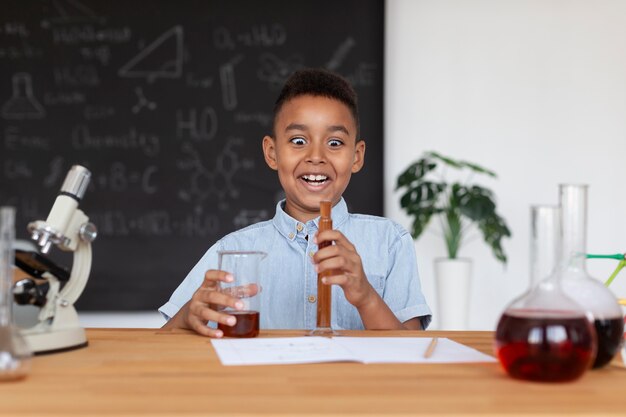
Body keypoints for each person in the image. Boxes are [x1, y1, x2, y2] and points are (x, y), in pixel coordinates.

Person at [159, 68, 431, 337]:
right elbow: (162, 342)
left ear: (357, 156)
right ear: (272, 152)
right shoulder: (232, 251)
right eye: (298, 141)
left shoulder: (390, 242)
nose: (316, 156)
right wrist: (186, 316)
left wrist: (366, 297)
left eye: (335, 143)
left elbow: (413, 352)